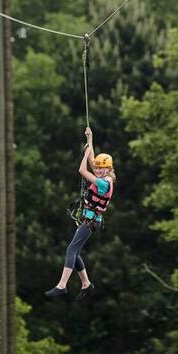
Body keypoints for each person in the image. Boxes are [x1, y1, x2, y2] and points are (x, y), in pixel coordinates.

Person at [45, 127, 116, 301]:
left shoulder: (103, 184)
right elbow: (93, 162)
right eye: (98, 168)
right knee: (74, 251)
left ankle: (62, 285)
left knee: (71, 249)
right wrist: (90, 140)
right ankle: (86, 283)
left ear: (108, 169)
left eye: (101, 169)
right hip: (90, 219)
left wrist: (84, 156)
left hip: (91, 221)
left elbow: (82, 171)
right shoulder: (105, 178)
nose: (98, 170)